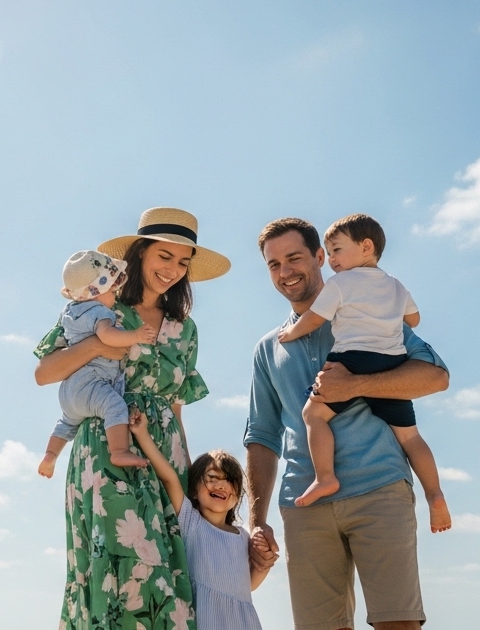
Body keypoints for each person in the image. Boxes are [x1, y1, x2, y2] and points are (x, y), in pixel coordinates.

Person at [245, 218, 450, 630]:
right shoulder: (267, 348)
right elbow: (262, 437)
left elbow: (436, 376)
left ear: (321, 257)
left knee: (399, 624)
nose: (285, 271)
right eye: (273, 264)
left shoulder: (369, 316)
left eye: (295, 258)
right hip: (304, 505)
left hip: (380, 488)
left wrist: (355, 383)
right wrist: (256, 520)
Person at [34, 207, 230, 630]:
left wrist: (191, 481)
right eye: (164, 256)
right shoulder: (98, 307)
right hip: (107, 448)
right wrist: (101, 344)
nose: (173, 270)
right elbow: (44, 373)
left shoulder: (186, 328)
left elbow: (176, 408)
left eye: (183, 262)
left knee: (173, 571)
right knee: (124, 568)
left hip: (166, 458)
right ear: (139, 254)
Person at [276, 215, 450, 530]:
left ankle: (325, 477)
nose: (332, 260)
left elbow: (315, 318)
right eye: (329, 253)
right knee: (410, 437)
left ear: (366, 247)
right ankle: (435, 494)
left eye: (337, 251)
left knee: (313, 417)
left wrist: (290, 334)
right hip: (392, 361)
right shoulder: (396, 285)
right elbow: (414, 320)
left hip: (352, 360)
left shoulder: (341, 283)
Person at [130, 410, 270, 630]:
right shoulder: (190, 521)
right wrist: (142, 433)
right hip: (202, 619)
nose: (221, 485)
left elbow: (248, 585)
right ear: (194, 490)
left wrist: (264, 564)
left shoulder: (242, 536)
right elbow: (170, 477)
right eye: (212, 478)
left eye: (229, 481)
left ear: (236, 497)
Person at [38, 250, 157, 477]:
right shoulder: (100, 311)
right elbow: (107, 336)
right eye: (112, 290)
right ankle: (119, 451)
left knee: (66, 422)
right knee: (115, 407)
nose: (115, 295)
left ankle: (50, 455)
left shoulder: (70, 311)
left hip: (70, 390)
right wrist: (136, 336)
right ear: (96, 292)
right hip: (93, 382)